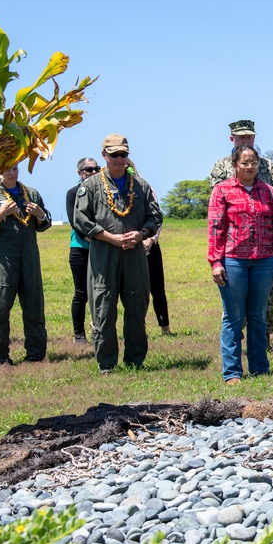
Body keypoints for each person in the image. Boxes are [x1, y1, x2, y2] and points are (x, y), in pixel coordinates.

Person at [72, 134, 163, 375]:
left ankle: (135, 361)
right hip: (104, 254)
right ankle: (106, 363)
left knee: (137, 305)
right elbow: (80, 220)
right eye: (114, 155)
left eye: (123, 154)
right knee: (103, 307)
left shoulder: (141, 186)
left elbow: (155, 217)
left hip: (134, 254)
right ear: (104, 155)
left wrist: (142, 233)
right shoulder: (90, 186)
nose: (119, 159)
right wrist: (107, 236)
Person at [208, 144, 273, 384]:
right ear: (235, 165)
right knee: (233, 317)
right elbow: (215, 228)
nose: (250, 167)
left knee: (258, 316)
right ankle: (232, 372)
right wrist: (215, 262)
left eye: (254, 162)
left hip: (265, 261)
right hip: (233, 261)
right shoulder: (222, 190)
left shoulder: (267, 192)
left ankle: (259, 368)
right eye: (245, 163)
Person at [0, 165, 51, 366]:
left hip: (29, 257)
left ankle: (36, 354)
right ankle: (1, 357)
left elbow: (45, 223)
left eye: (15, 168)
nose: (12, 173)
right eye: (7, 169)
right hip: (3, 259)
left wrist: (40, 214)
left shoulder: (30, 193)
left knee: (34, 305)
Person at [124, 159, 172, 336]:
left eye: (129, 166)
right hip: (127, 246)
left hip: (149, 244)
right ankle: (137, 327)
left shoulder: (146, 188)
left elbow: (157, 217)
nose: (127, 169)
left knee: (157, 288)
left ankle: (165, 328)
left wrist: (151, 239)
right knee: (131, 289)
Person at [67, 157, 100, 345]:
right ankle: (79, 335)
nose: (93, 172)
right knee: (82, 293)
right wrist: (97, 239)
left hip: (101, 248)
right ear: (80, 172)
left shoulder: (102, 192)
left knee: (101, 291)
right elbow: (76, 223)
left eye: (96, 168)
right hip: (81, 248)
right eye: (89, 169)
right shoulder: (73, 193)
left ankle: (99, 329)